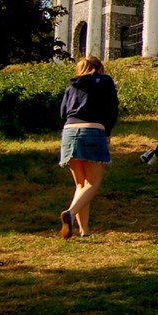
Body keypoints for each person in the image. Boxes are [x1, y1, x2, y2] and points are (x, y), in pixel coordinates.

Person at [58, 56, 119, 239]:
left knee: (81, 184)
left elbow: (62, 112)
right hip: (92, 131)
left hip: (69, 132)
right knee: (93, 182)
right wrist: (108, 131)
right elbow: (112, 108)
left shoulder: (71, 86)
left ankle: (84, 231)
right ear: (99, 68)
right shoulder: (104, 80)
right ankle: (69, 213)